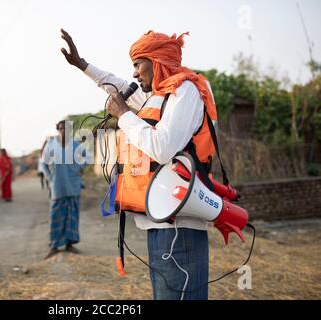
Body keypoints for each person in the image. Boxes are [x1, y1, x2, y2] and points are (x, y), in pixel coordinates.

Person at [61, 29, 218, 300]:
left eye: (137, 64)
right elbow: (115, 84)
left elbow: (163, 147)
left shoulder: (186, 91)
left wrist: (123, 115)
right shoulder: (158, 95)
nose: (134, 74)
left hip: (179, 221)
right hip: (159, 219)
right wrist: (82, 64)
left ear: (156, 63)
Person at [41, 120, 87, 259]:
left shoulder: (75, 145)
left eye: (66, 129)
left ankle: (69, 244)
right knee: (55, 216)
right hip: (57, 187)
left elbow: (86, 158)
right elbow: (43, 164)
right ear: (58, 130)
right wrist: (50, 178)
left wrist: (78, 168)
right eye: (61, 129)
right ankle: (54, 245)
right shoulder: (51, 144)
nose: (63, 131)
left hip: (73, 186)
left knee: (72, 217)